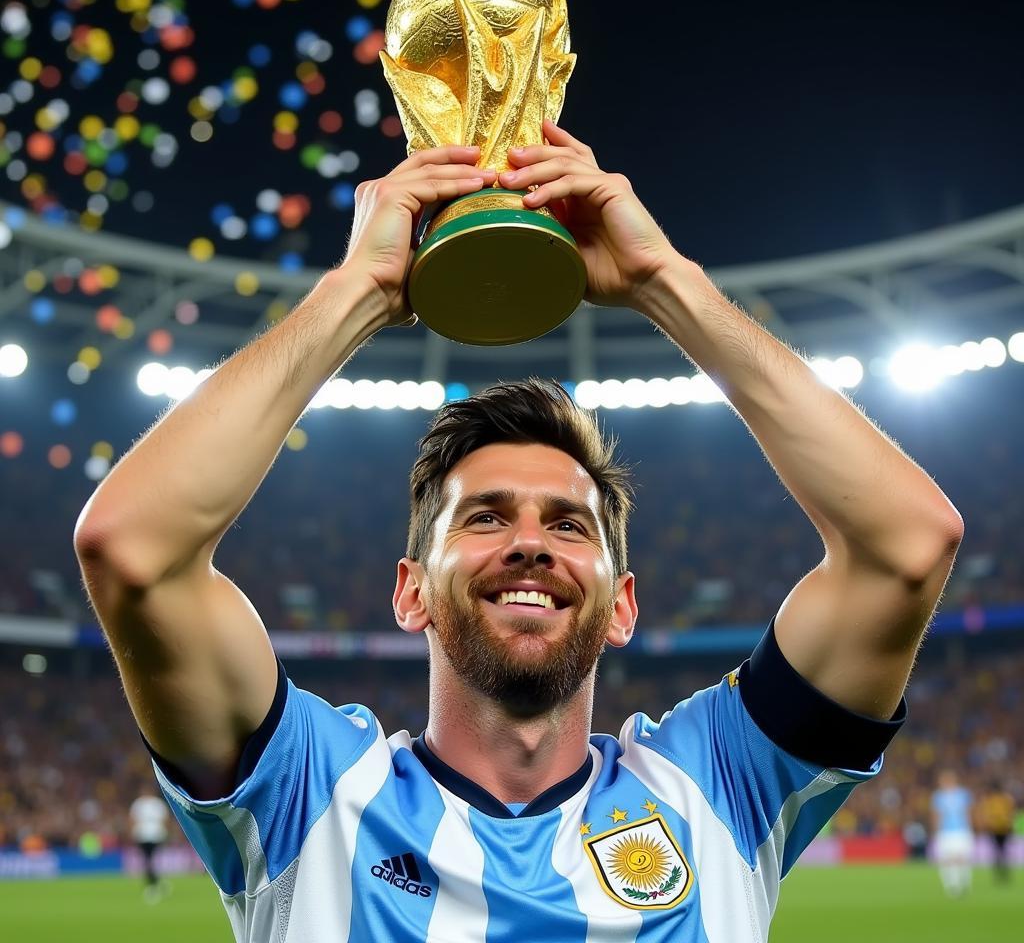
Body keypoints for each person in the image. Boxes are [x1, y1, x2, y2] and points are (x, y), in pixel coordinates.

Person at [74, 121, 963, 941]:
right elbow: (135, 552)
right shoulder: (314, 792)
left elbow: (907, 547)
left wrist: (667, 284)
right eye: (485, 516)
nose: (530, 542)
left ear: (622, 606)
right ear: (411, 590)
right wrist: (359, 291)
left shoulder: (717, 784)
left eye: (569, 524)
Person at [931, 770, 974, 897]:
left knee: (963, 858)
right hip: (945, 831)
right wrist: (936, 831)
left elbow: (968, 812)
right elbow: (936, 815)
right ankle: (952, 885)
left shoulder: (963, 794)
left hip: (962, 830)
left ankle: (965, 882)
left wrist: (970, 828)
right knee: (947, 859)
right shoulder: (938, 796)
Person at [129, 790, 170, 902]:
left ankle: (153, 883)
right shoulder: (140, 804)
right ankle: (154, 882)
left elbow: (165, 819)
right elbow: (132, 819)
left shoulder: (155, 804)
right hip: (143, 835)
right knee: (149, 860)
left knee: (150, 860)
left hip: (155, 835)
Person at [977, 780, 1016, 883]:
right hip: (1004, 829)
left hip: (994, 829)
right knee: (1003, 851)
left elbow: (986, 815)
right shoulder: (1006, 799)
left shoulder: (990, 800)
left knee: (996, 851)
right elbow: (1011, 814)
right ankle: (1004, 873)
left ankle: (999, 873)